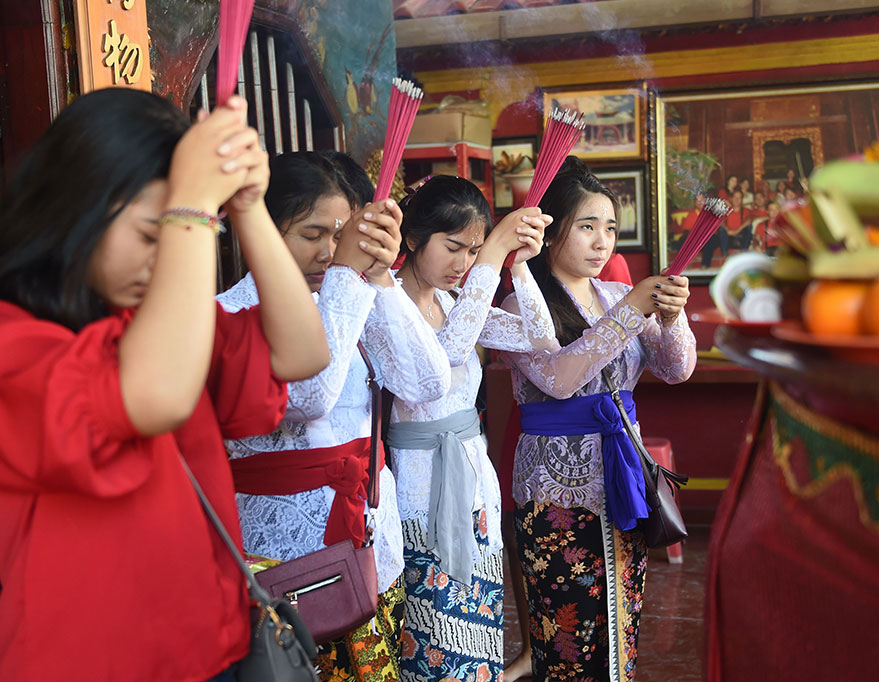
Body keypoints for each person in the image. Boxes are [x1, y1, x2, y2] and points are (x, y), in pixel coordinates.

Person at [0, 89, 329, 681]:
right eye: (155, 235)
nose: (167, 257)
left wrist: (248, 206)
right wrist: (194, 209)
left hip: (209, 648)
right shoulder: (13, 341)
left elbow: (302, 351)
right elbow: (156, 396)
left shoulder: (151, 327)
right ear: (76, 207)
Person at [217, 151, 450, 682]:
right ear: (263, 232)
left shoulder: (351, 295)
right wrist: (348, 275)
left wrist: (381, 276)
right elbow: (308, 395)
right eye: (312, 233)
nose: (329, 251)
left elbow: (427, 384)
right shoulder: (227, 313)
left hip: (368, 540)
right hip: (279, 555)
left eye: (342, 234)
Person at [501, 157, 697, 681]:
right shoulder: (522, 303)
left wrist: (672, 317)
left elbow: (676, 370)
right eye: (587, 226)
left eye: (609, 228)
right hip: (555, 489)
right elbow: (560, 379)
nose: (602, 241)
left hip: (623, 476)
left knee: (621, 621)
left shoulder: (614, 295)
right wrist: (633, 308)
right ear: (551, 228)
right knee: (568, 630)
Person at [385, 176, 555, 682]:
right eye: (453, 246)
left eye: (474, 250)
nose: (463, 263)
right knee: (431, 640)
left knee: (478, 640)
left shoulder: (459, 302)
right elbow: (446, 358)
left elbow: (540, 338)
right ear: (413, 238)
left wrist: (517, 266)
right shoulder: (387, 302)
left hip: (475, 481)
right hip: (420, 489)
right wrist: (490, 259)